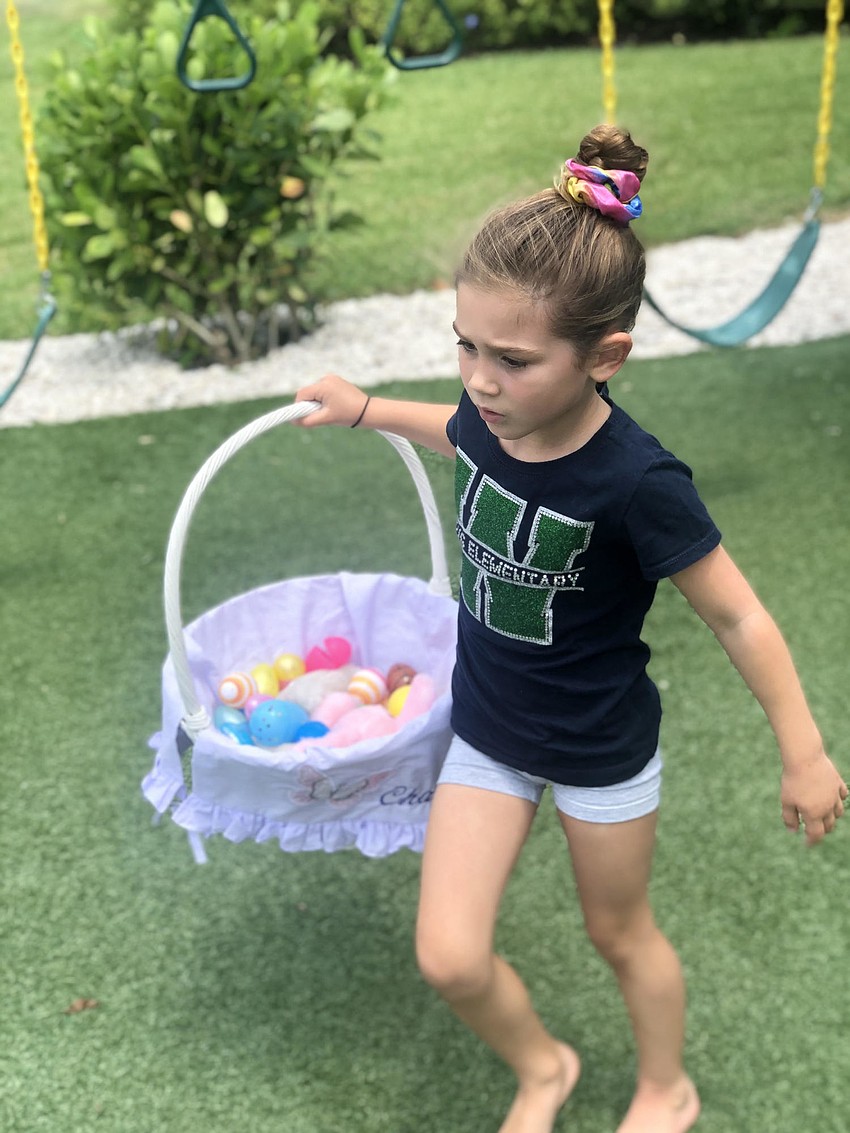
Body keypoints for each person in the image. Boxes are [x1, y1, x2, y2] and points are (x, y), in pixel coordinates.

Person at [294, 124, 847, 1133]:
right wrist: (367, 405)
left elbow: (737, 611)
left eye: (509, 357)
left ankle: (664, 1085)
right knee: (449, 953)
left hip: (599, 749)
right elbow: (453, 429)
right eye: (463, 344)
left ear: (606, 357)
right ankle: (542, 1065)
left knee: (619, 931)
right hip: (491, 730)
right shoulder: (489, 414)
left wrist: (802, 751)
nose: (478, 378)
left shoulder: (638, 482)